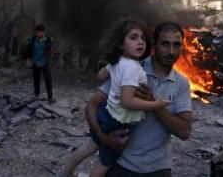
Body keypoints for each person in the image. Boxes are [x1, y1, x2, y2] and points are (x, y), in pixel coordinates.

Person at [60, 22, 192, 177]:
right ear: (154, 45)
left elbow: (184, 132)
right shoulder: (130, 68)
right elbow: (91, 107)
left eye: (177, 45)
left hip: (159, 167)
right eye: (165, 44)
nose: (171, 51)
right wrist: (103, 138)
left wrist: (155, 105)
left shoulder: (181, 83)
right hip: (124, 163)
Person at [22, 24, 55, 103]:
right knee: (36, 79)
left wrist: (52, 59)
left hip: (44, 62)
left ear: (43, 33)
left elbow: (51, 50)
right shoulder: (33, 40)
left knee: (48, 79)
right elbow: (27, 50)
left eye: (39, 33)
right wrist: (27, 59)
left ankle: (50, 98)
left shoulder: (48, 40)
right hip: (35, 62)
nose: (38, 34)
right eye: (37, 33)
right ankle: (36, 95)